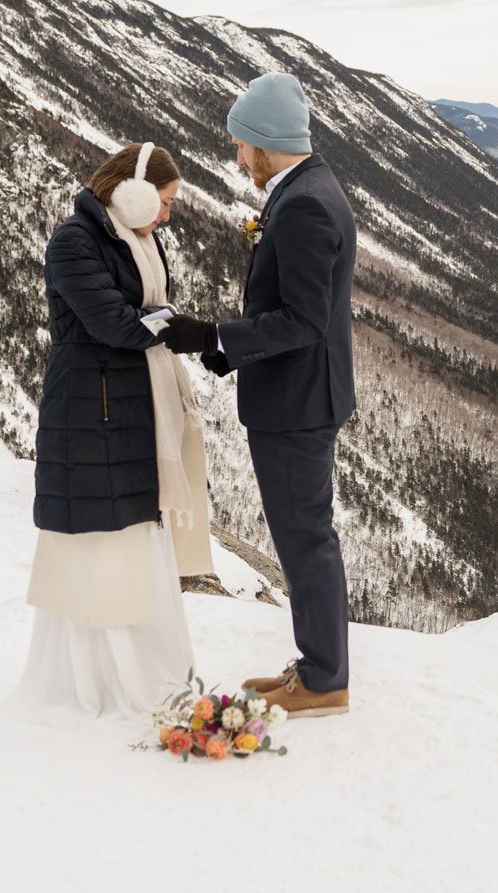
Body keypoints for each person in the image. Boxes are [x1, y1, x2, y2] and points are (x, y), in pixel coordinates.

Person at [158, 73, 355, 718]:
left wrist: (214, 333)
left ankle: (324, 681)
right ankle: (315, 664)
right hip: (298, 393)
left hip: (296, 404)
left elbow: (302, 319)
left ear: (267, 142)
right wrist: (224, 348)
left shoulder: (300, 205)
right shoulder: (306, 188)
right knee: (303, 537)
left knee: (306, 539)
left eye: (242, 144)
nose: (238, 157)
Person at [17, 141, 215, 717]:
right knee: (107, 534)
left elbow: (142, 319)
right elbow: (113, 324)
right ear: (132, 193)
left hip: (126, 407)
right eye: (165, 202)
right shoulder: (74, 241)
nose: (168, 215)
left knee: (134, 527)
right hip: (92, 412)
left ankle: (145, 671)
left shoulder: (138, 240)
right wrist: (165, 325)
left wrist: (157, 324)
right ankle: (105, 680)